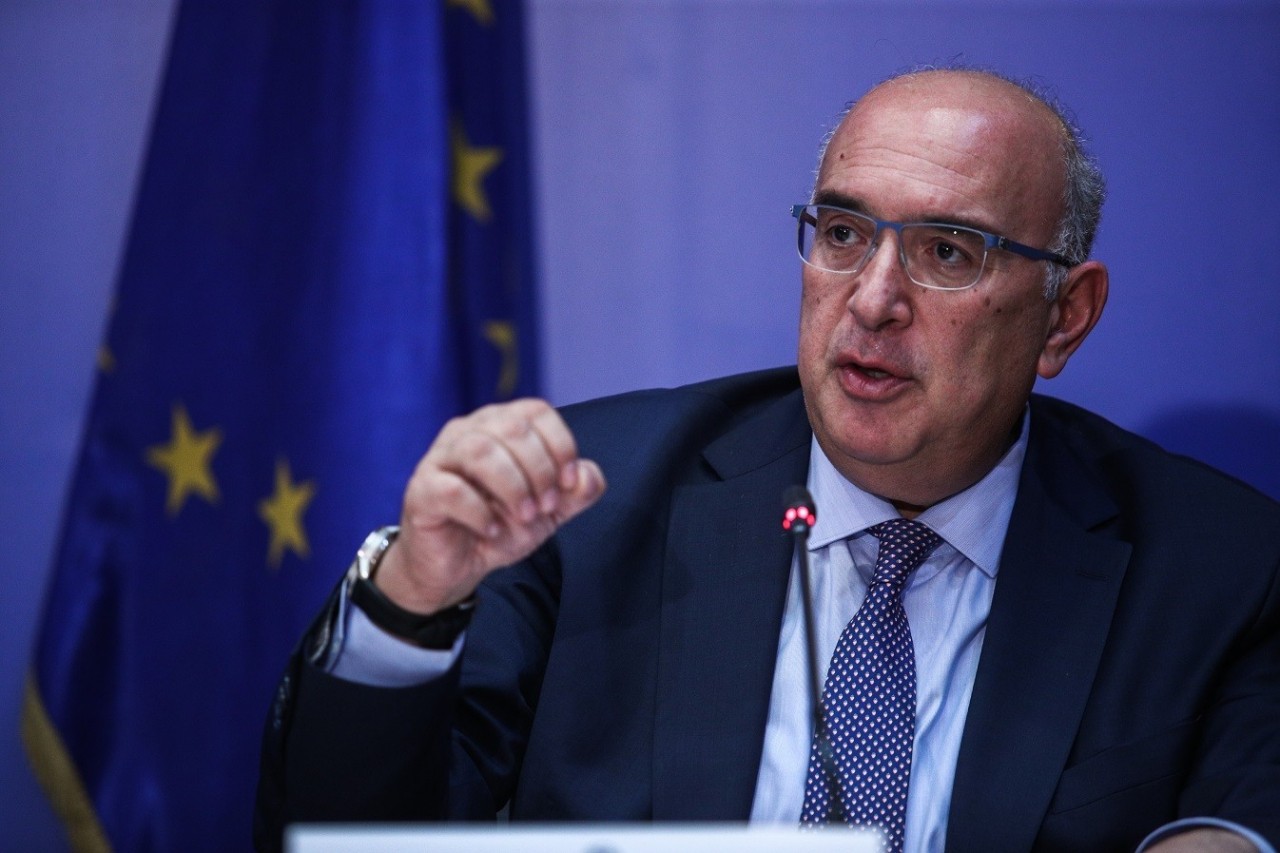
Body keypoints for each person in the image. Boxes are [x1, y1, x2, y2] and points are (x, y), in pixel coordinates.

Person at [254, 69, 1280, 852]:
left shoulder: (1220, 570)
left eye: (946, 252)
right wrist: (410, 602)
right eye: (843, 232)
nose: (872, 298)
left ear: (1064, 316)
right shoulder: (585, 503)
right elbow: (341, 834)